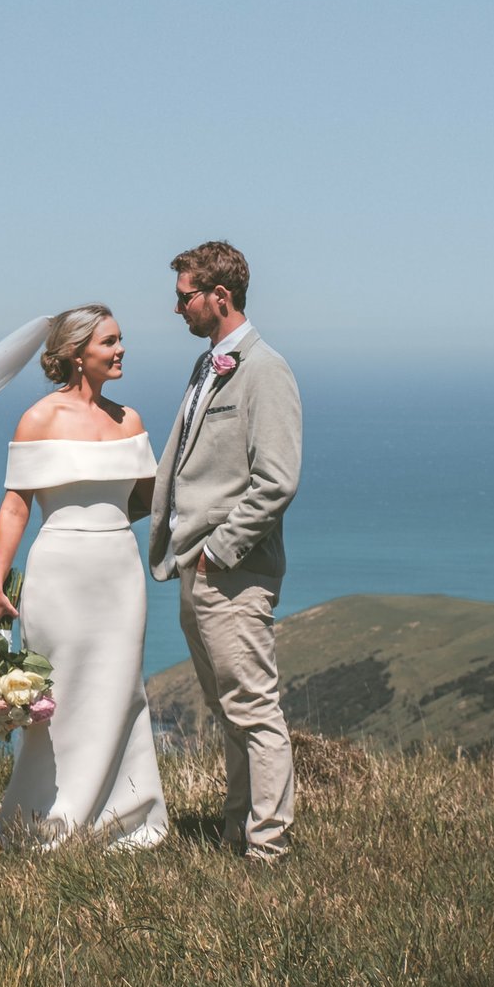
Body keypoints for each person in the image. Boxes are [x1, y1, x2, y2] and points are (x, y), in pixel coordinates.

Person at [0, 304, 170, 848]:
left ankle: (129, 818)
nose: (120, 350)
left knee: (119, 688)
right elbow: (15, 507)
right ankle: (46, 817)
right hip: (58, 571)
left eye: (120, 339)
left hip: (119, 572)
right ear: (76, 355)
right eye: (109, 341)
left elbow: (147, 502)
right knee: (60, 694)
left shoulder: (129, 421)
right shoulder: (39, 419)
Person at [148, 240, 301, 860]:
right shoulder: (209, 365)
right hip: (194, 565)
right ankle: (237, 829)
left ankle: (268, 849)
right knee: (227, 709)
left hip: (232, 572)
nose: (176, 308)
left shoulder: (265, 370)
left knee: (254, 709)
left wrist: (220, 550)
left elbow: (277, 479)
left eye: (184, 297)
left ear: (220, 296)